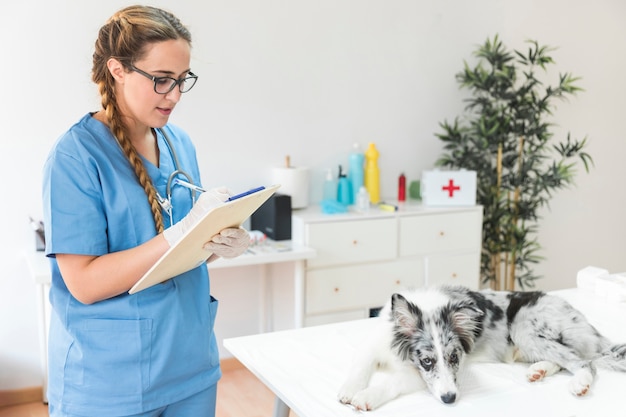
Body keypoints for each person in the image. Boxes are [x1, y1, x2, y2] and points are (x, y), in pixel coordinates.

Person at [42, 5, 250, 417]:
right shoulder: (75, 157)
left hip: (189, 365)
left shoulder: (179, 143)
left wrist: (218, 242)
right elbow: (83, 283)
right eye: (161, 80)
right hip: (110, 381)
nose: (174, 95)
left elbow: (182, 252)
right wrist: (178, 233)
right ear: (118, 70)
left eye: (181, 80)